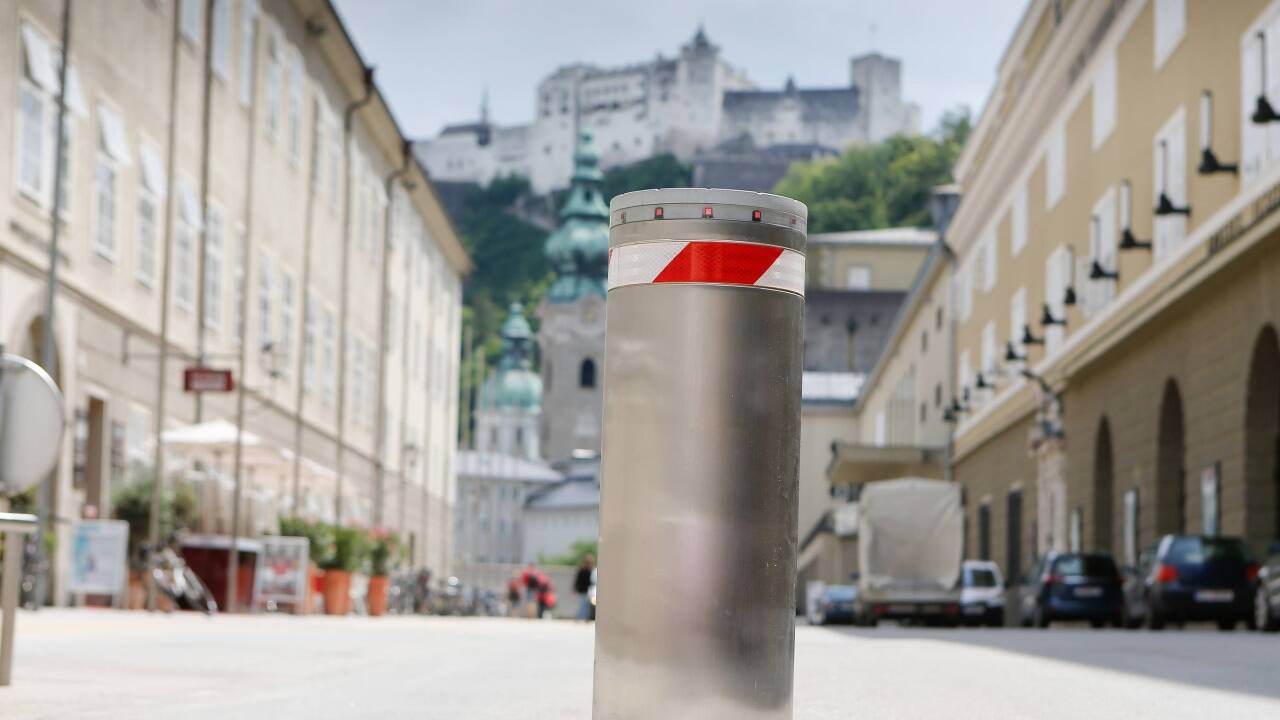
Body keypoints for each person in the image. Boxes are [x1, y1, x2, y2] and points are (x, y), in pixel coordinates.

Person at [574, 554, 595, 621]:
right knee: (583, 604)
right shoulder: (582, 570)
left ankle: (585, 617)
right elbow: (577, 581)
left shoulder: (591, 570)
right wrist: (575, 588)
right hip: (582, 590)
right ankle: (580, 617)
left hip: (589, 590)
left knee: (586, 605)